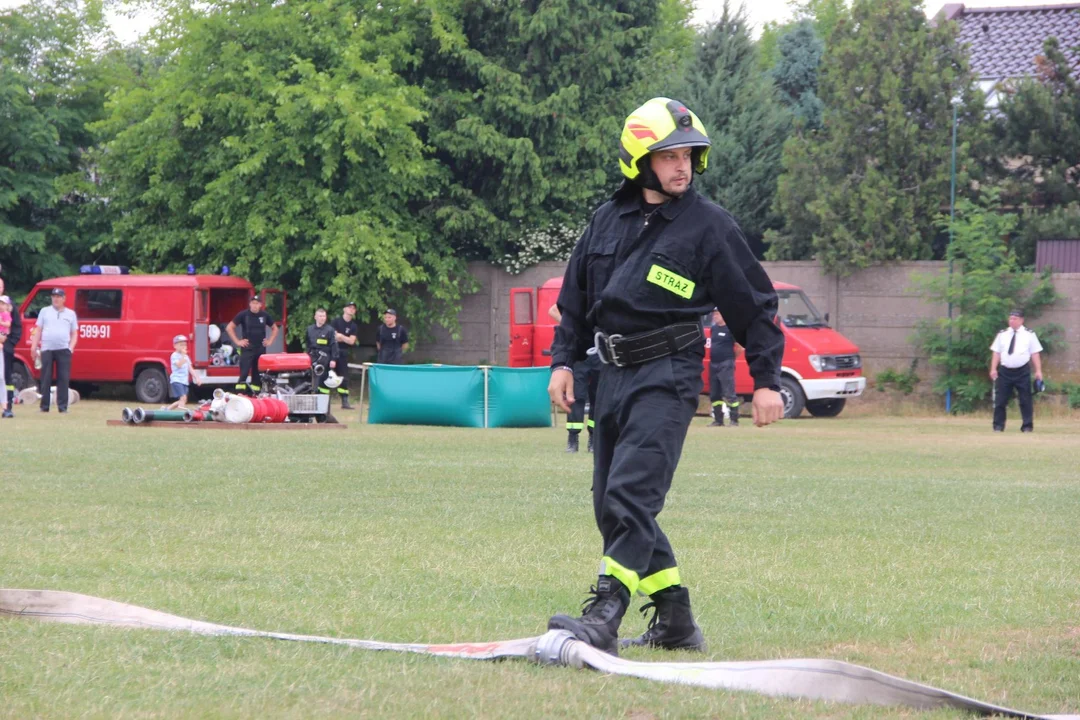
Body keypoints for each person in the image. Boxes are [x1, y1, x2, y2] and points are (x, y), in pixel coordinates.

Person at [546, 97, 785, 656]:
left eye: (689, 155)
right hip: (608, 374)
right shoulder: (607, 219)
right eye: (669, 155)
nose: (682, 166)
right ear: (640, 160)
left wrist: (768, 380)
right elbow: (576, 300)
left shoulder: (710, 227)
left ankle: (606, 612)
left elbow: (755, 305)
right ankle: (676, 621)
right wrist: (563, 360)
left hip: (669, 373)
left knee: (632, 494)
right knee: (612, 500)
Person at [551, 303, 600, 453]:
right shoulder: (581, 298)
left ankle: (594, 439)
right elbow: (553, 310)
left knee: (598, 398)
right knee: (576, 396)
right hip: (580, 355)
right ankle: (573, 439)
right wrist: (575, 329)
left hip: (600, 354)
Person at [990, 308, 1043, 433]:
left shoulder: (1029, 334)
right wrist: (993, 368)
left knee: (1025, 400)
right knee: (1000, 400)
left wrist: (1038, 371)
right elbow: (996, 352)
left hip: (1022, 371)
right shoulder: (1002, 334)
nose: (1012, 321)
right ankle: (998, 426)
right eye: (1010, 318)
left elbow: (1035, 353)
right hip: (1005, 371)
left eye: (1015, 319)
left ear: (1021, 320)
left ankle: (1027, 426)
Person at [29, 288, 78, 413]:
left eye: (58, 297)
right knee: (45, 378)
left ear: (63, 299)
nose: (55, 299)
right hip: (47, 349)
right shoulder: (45, 311)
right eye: (53, 296)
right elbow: (38, 329)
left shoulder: (70, 314)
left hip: (63, 349)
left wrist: (70, 348)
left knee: (63, 378)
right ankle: (44, 406)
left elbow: (74, 333)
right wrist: (34, 346)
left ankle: (62, 407)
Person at [226, 295, 279, 396]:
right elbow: (229, 327)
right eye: (253, 303)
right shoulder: (243, 315)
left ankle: (255, 394)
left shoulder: (265, 315)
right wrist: (238, 341)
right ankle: (240, 393)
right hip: (247, 348)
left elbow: (275, 328)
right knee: (244, 372)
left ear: (260, 305)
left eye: (257, 303)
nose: (255, 305)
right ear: (250, 304)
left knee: (257, 374)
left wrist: (270, 341)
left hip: (260, 349)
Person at [707, 308, 743, 427]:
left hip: (726, 364)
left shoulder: (730, 329)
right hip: (713, 364)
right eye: (714, 314)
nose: (714, 316)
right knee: (715, 394)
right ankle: (718, 420)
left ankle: (734, 420)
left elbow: (740, 347)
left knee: (729, 392)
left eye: (717, 314)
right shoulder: (714, 329)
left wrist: (731, 359)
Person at [331, 301, 359, 409]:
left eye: (353, 308)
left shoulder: (353, 326)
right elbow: (333, 337)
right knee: (326, 375)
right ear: (344, 309)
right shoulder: (336, 321)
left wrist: (341, 336)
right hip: (332, 350)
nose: (351, 309)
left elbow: (352, 341)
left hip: (343, 352)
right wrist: (345, 338)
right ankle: (323, 398)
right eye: (349, 307)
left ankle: (345, 401)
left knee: (343, 377)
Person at [306, 308, 340, 395]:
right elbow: (308, 344)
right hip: (312, 356)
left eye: (324, 316)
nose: (322, 318)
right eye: (320, 316)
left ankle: (322, 397)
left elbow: (334, 345)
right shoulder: (309, 329)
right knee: (309, 376)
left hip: (324, 357)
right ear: (315, 317)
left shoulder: (330, 330)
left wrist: (333, 359)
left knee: (322, 378)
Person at [0, 276, 20, 417]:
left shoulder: (9, 306)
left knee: (5, 377)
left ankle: (7, 406)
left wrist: (8, 343)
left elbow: (17, 327)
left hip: (4, 348)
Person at [166, 335, 202, 410]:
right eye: (181, 345)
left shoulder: (186, 356)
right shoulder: (174, 355)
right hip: (177, 380)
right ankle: (182, 413)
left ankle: (167, 409)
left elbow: (190, 368)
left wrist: (197, 378)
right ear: (175, 346)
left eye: (184, 345)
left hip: (184, 381)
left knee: (183, 399)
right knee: (183, 397)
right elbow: (179, 365)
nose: (183, 346)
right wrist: (183, 356)